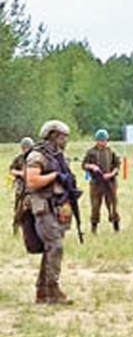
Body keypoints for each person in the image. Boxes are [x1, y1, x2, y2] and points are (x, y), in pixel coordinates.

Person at [24, 120, 77, 305]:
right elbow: (32, 181)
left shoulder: (58, 156)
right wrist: (54, 176)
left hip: (57, 206)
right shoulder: (37, 156)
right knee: (55, 246)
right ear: (53, 136)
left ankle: (42, 291)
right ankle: (52, 290)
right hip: (43, 207)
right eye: (63, 136)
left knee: (51, 249)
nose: (65, 140)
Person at [82, 129, 121, 234]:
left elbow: (117, 166)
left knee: (113, 206)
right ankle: (94, 228)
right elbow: (84, 165)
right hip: (96, 183)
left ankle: (116, 227)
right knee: (95, 206)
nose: (102, 142)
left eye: (104, 140)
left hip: (110, 183)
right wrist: (92, 166)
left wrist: (111, 174)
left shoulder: (111, 152)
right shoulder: (91, 152)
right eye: (100, 140)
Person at [9, 137, 34, 234]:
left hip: (33, 188)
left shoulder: (36, 158)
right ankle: (16, 230)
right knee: (18, 211)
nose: (25, 149)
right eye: (24, 147)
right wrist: (20, 174)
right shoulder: (19, 158)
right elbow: (11, 170)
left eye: (28, 147)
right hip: (21, 188)